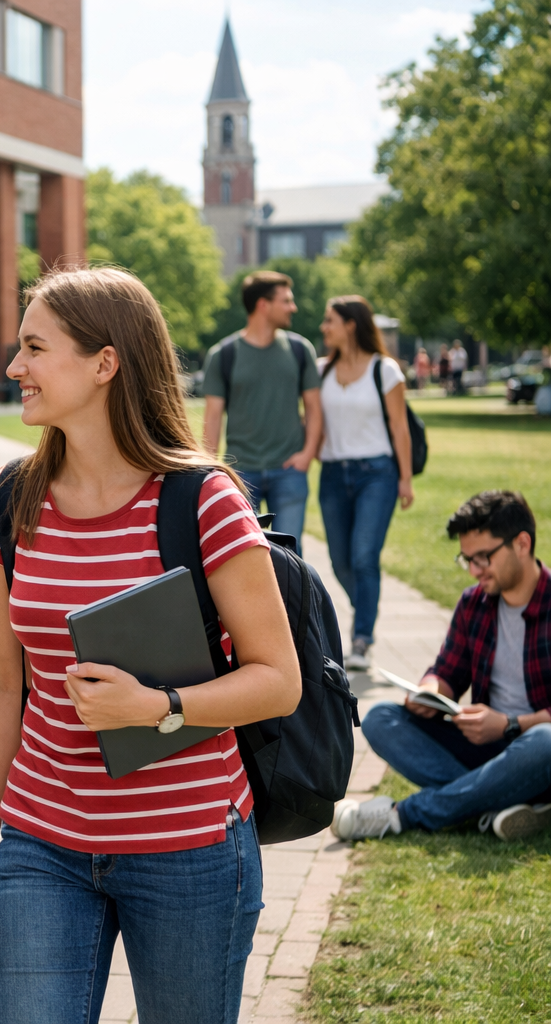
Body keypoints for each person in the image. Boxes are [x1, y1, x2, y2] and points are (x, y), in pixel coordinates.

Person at [0, 267, 300, 1023]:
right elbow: (2, 684)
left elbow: (279, 680)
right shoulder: (10, 499)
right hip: (41, 843)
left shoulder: (203, 499)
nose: (15, 368)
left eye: (35, 349)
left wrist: (159, 706)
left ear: (105, 363)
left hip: (191, 849)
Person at [337, 491, 551, 843]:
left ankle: (402, 815)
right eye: (466, 559)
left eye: (483, 558)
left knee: (544, 741)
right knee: (380, 719)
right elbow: (447, 672)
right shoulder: (474, 604)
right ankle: (493, 801)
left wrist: (510, 725)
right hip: (483, 747)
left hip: (534, 747)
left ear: (522, 543)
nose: (473, 570)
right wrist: (431, 691)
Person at [316, 295, 414, 670]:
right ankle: (366, 609)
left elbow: (399, 426)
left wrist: (405, 478)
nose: (325, 327)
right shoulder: (321, 369)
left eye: (330, 321)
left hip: (378, 473)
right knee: (340, 560)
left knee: (363, 556)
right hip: (333, 474)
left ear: (351, 324)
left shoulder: (384, 370)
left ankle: (361, 638)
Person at [201, 271, 323, 551]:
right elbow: (213, 416)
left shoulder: (299, 350)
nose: (293, 307)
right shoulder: (223, 355)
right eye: (286, 301)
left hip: (289, 471)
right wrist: (210, 468)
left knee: (292, 558)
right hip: (242, 472)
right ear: (263, 305)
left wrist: (306, 455)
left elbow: (314, 408)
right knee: (244, 554)